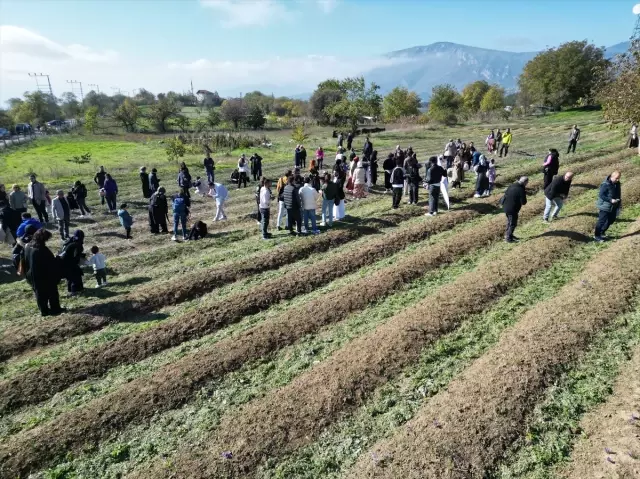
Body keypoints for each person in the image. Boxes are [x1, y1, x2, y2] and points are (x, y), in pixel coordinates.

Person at [24, 229, 64, 316]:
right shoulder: (41, 250)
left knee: (39, 293)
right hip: (44, 275)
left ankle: (44, 310)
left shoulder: (28, 246)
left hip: (31, 273)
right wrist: (58, 258)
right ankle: (55, 309)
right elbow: (51, 263)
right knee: (52, 291)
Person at [594, 171, 622, 242]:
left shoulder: (617, 183)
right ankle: (597, 236)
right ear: (612, 177)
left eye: (619, 178)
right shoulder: (605, 184)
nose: (618, 180)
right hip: (605, 206)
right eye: (616, 178)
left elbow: (618, 193)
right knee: (601, 221)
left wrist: (618, 202)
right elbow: (601, 195)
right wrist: (610, 200)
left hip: (614, 205)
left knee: (611, 219)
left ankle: (602, 231)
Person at [501, 176, 528, 243]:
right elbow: (523, 202)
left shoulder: (511, 185)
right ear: (525, 182)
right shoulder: (520, 190)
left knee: (509, 222)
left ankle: (508, 235)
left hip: (506, 206)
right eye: (527, 183)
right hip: (512, 208)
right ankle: (508, 238)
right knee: (513, 223)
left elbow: (506, 193)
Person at [59, 229, 85, 295]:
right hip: (68, 262)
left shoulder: (69, 241)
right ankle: (74, 291)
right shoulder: (77, 245)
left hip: (62, 261)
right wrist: (80, 260)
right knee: (75, 276)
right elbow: (76, 256)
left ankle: (74, 289)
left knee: (71, 276)